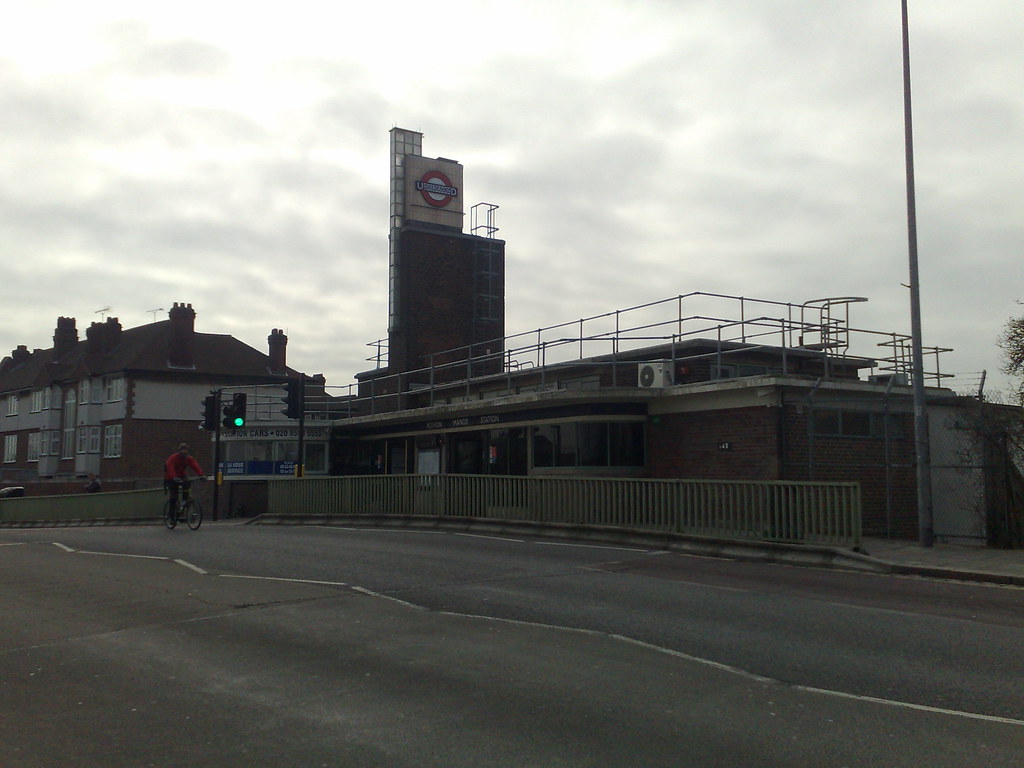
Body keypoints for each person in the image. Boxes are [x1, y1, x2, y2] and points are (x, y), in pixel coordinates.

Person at [164, 443, 206, 507]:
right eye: (183, 450)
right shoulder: (173, 458)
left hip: (182, 475)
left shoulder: (189, 459)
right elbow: (170, 467)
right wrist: (174, 477)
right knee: (174, 496)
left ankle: (184, 501)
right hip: (171, 478)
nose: (185, 451)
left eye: (186, 450)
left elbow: (196, 467)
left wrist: (201, 475)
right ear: (179, 451)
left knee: (187, 484)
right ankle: (171, 515)